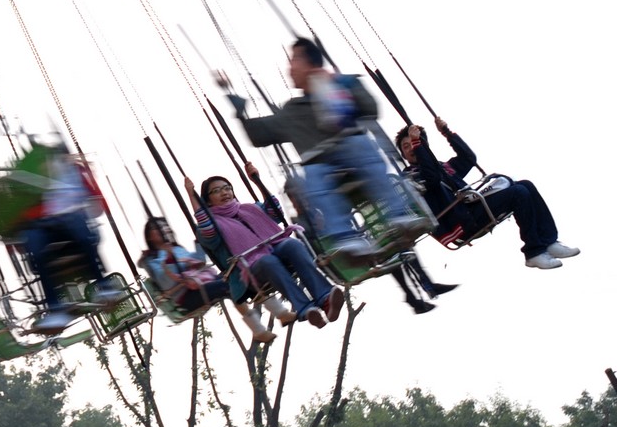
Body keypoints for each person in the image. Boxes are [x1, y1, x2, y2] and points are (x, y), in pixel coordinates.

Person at [228, 37, 431, 261]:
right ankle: (344, 237)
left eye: (295, 59)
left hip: (356, 157)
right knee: (310, 174)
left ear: (311, 63)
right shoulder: (292, 111)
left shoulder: (339, 86)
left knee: (359, 144)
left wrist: (346, 84)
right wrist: (241, 114)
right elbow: (260, 135)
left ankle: (398, 215)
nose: (290, 67)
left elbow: (370, 108)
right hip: (323, 173)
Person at [396, 117, 580, 270]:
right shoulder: (411, 176)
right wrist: (418, 145)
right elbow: (432, 179)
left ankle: (549, 241)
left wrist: (447, 133)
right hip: (459, 223)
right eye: (406, 147)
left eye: (413, 144)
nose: (411, 148)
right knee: (518, 193)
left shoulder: (444, 167)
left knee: (526, 185)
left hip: (469, 211)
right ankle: (534, 252)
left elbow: (469, 158)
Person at [185, 163, 345, 329]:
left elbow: (275, 212)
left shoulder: (250, 208)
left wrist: (257, 181)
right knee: (269, 261)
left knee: (292, 245)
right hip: (250, 268)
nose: (224, 192)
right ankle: (305, 308)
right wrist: (192, 197)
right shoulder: (213, 226)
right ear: (208, 201)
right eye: (216, 191)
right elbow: (206, 228)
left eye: (227, 188)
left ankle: (325, 299)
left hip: (275, 248)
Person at [6, 143, 122, 334]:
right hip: (52, 232)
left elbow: (97, 206)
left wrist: (80, 203)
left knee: (75, 223)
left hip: (75, 227)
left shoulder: (75, 174)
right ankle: (56, 309)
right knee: (35, 241)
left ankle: (104, 286)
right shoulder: (37, 185)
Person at [141, 217, 295, 343]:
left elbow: (199, 261)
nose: (162, 229)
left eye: (164, 225)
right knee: (230, 285)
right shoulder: (151, 259)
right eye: (157, 227)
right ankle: (276, 315)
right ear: (149, 236)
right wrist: (168, 260)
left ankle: (264, 326)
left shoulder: (177, 249)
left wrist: (199, 244)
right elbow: (165, 282)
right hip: (185, 295)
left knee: (239, 276)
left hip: (203, 282)